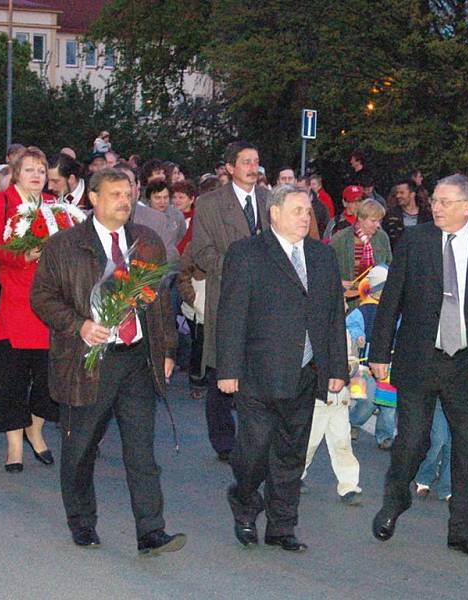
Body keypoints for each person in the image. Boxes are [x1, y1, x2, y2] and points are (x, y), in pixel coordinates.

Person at [30, 168, 185, 555]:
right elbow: (43, 298)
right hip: (89, 361)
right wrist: (79, 325)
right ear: (94, 199)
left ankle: (151, 531)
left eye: (128, 194)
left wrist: (166, 349)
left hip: (137, 359)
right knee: (81, 446)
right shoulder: (66, 245)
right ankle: (82, 521)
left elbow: (159, 300)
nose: (124, 200)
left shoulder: (147, 242)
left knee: (142, 451)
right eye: (114, 194)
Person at [369, 173, 468, 557]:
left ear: (467, 207)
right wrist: (379, 353)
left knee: (467, 447)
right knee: (412, 441)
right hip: (421, 357)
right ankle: (395, 501)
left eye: (445, 202)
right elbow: (391, 301)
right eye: (434, 200)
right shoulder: (415, 242)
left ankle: (462, 530)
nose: (436, 207)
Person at [217, 184, 348, 551]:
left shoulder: (322, 257)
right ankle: (244, 502)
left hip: (305, 372)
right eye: (297, 210)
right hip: (258, 372)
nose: (306, 217)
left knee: (291, 454)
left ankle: (281, 525)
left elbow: (333, 315)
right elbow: (231, 314)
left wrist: (336, 366)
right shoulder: (247, 253)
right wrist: (228, 369)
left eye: (308, 211)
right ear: (274, 213)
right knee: (254, 451)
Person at [188, 141, 270, 463]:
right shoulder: (210, 204)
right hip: (227, 293)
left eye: (257, 162)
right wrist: (236, 266)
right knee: (223, 367)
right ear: (230, 167)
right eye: (246, 162)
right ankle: (223, 439)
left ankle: (256, 435)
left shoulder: (269, 200)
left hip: (266, 298)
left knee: (258, 369)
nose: (253, 167)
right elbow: (202, 251)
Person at [0, 147, 58, 472]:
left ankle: (35, 431)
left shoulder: (55, 206)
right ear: (15, 173)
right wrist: (22, 256)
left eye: (41, 169)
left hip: (49, 303)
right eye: (30, 169)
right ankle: (14, 444)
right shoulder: (0, 202)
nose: (37, 175)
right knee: (12, 377)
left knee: (46, 378)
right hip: (12, 302)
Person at [301, 310, 362, 506]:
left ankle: (349, 485)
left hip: (340, 400)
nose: (343, 304)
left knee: (342, 443)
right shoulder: (314, 332)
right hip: (319, 399)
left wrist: (351, 368)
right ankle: (295, 475)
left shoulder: (346, 332)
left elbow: (353, 359)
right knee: (308, 442)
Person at [346, 265, 396, 449]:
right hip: (365, 365)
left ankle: (385, 436)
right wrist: (357, 335)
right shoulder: (364, 310)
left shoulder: (395, 309)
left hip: (389, 363)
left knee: (389, 404)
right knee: (367, 400)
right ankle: (353, 422)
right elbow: (350, 324)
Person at [330, 199, 392, 301]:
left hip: (375, 299)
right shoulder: (340, 239)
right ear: (360, 218)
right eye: (373, 220)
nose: (378, 225)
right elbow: (327, 269)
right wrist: (338, 282)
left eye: (380, 220)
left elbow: (389, 266)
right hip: (349, 300)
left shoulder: (382, 237)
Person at [382, 180, 433, 250]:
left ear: (412, 194)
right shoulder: (391, 215)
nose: (398, 196)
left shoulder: (427, 215)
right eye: (397, 193)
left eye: (402, 193)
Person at [172, 180, 197, 255]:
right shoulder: (168, 215)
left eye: (181, 197)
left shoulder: (196, 217)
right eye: (174, 197)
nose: (177, 201)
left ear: (191, 199)